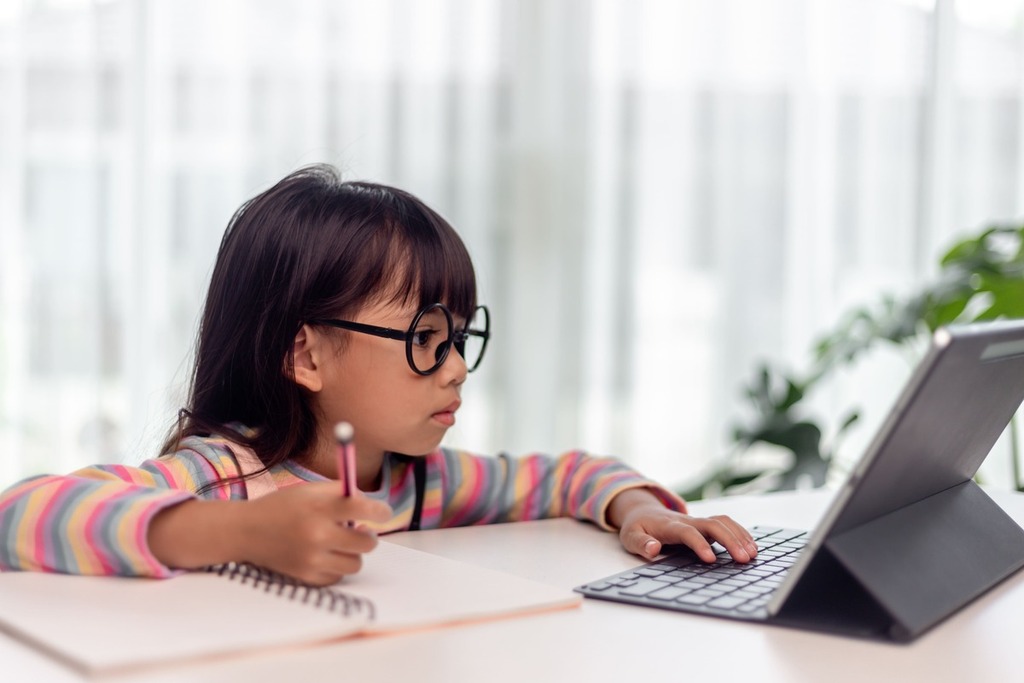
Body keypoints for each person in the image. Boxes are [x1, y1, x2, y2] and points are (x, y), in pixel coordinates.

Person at [0, 165, 758, 586]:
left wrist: (631, 507)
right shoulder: (224, 476)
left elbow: (562, 476)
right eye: (426, 338)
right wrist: (235, 532)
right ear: (305, 355)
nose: (457, 367)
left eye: (460, 337)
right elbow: (19, 514)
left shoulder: (417, 479)